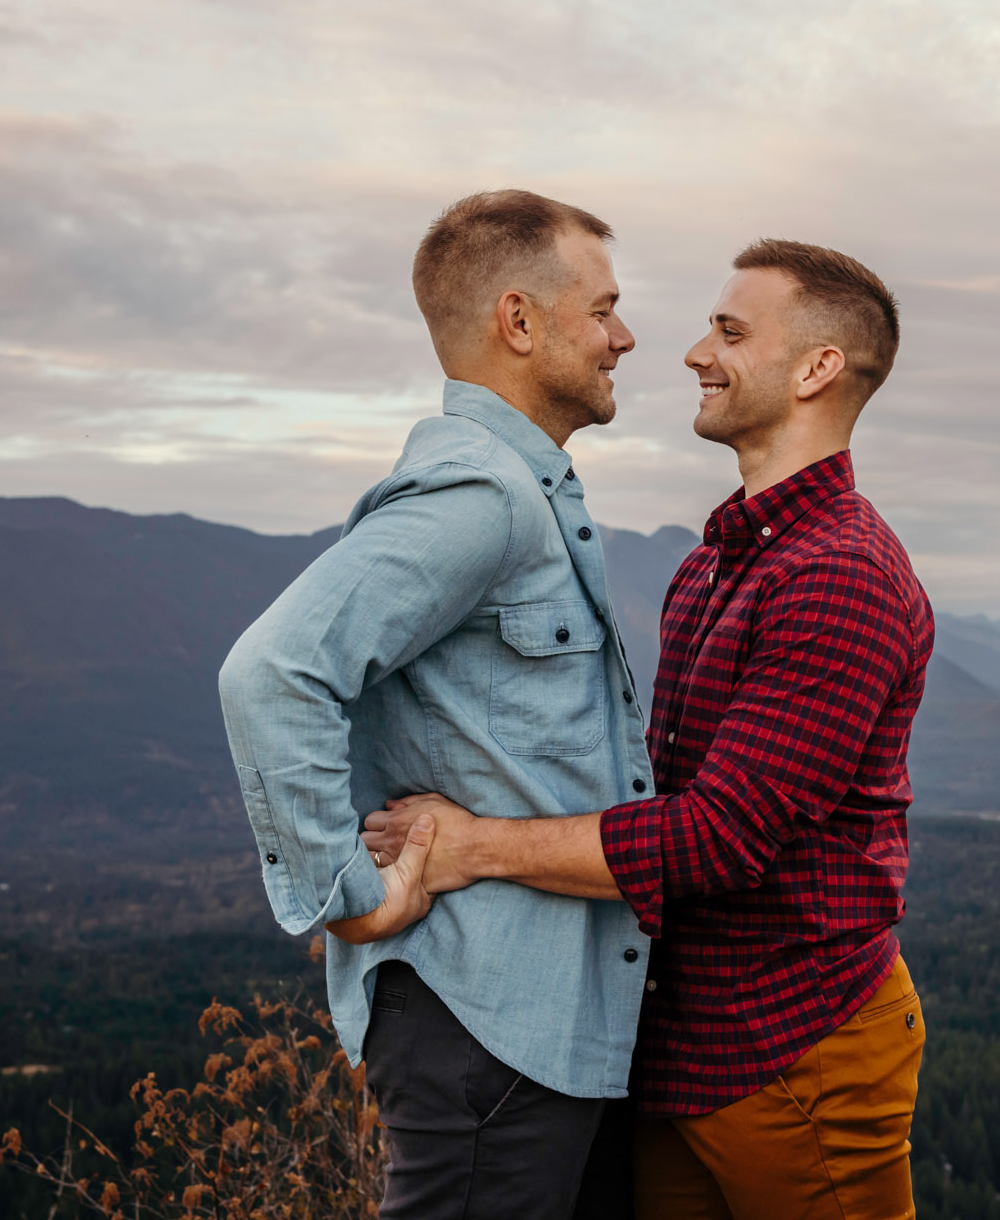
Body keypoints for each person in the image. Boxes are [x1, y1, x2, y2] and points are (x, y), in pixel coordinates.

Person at [365, 239, 934, 1220]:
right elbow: (650, 789)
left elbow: (716, 835)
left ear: (815, 369)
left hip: (796, 1049)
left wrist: (472, 846)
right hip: (685, 1048)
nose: (691, 353)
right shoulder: (718, 559)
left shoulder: (838, 572)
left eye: (728, 330)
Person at [217, 189, 655, 1219]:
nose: (623, 336)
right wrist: (349, 895)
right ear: (517, 320)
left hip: (544, 1026)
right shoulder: (482, 499)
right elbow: (271, 670)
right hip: (486, 1023)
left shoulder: (526, 494)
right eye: (601, 308)